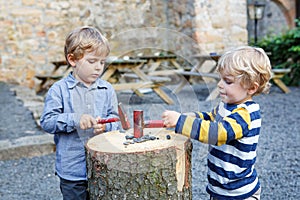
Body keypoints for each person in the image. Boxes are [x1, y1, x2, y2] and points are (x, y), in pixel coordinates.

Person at [162, 46, 272, 200]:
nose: (220, 84)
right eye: (220, 79)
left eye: (227, 81)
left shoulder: (244, 114)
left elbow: (217, 133)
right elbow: (209, 118)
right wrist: (188, 117)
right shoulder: (226, 106)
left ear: (251, 88)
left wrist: (181, 122)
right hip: (220, 189)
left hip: (238, 192)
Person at [40, 26, 120, 200]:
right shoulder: (59, 90)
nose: (98, 68)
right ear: (72, 59)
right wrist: (74, 119)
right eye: (92, 62)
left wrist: (106, 127)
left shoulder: (107, 89)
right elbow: (47, 122)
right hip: (72, 171)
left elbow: (117, 121)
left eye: (102, 62)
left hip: (102, 169)